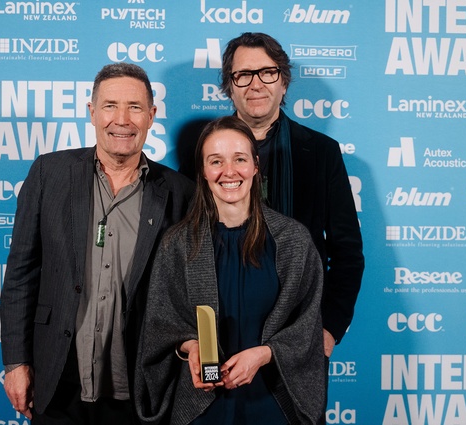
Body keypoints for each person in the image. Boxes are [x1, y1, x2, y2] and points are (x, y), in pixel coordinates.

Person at [0, 63, 194, 424]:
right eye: (110, 106)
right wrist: (15, 362)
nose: (122, 119)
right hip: (57, 378)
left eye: (135, 107)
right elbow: (20, 276)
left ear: (151, 116)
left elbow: (185, 293)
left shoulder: (180, 193)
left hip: (140, 386)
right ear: (91, 112)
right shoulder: (48, 173)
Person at [135, 116, 326, 424]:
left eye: (239, 159)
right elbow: (159, 325)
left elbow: (307, 328)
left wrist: (264, 354)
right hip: (202, 407)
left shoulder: (293, 241)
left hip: (273, 404)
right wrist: (190, 346)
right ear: (203, 171)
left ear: (255, 165)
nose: (229, 171)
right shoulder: (178, 244)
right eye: (216, 161)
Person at [219, 32, 364, 361]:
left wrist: (328, 330)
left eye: (267, 72)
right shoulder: (203, 150)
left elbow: (348, 251)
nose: (256, 84)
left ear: (283, 81)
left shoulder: (321, 153)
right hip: (224, 329)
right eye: (243, 75)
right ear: (229, 85)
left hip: (299, 333)